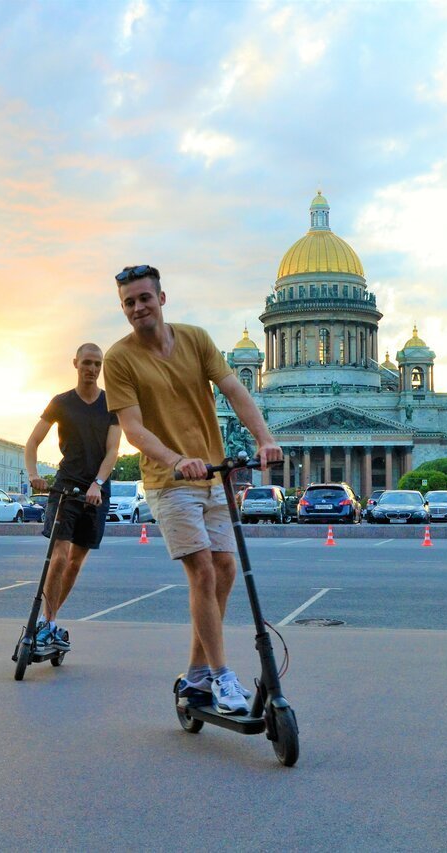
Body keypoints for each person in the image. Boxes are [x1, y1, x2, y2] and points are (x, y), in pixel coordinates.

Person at [103, 264, 282, 715]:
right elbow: (133, 429)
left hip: (213, 478)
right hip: (170, 481)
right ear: (123, 309)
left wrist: (264, 437)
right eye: (129, 302)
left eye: (145, 298)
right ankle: (222, 677)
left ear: (162, 299)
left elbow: (235, 390)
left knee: (224, 569)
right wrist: (175, 460)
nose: (138, 307)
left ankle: (198, 673)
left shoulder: (197, 339)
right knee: (202, 571)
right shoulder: (119, 359)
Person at [24, 343, 121, 653]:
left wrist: (98, 483)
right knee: (60, 556)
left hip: (96, 492)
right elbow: (33, 442)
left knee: (76, 562)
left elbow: (112, 451)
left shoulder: (112, 404)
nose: (91, 369)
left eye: (97, 364)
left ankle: (50, 622)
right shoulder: (61, 402)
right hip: (65, 488)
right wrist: (33, 475)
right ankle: (48, 624)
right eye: (86, 363)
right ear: (76, 364)